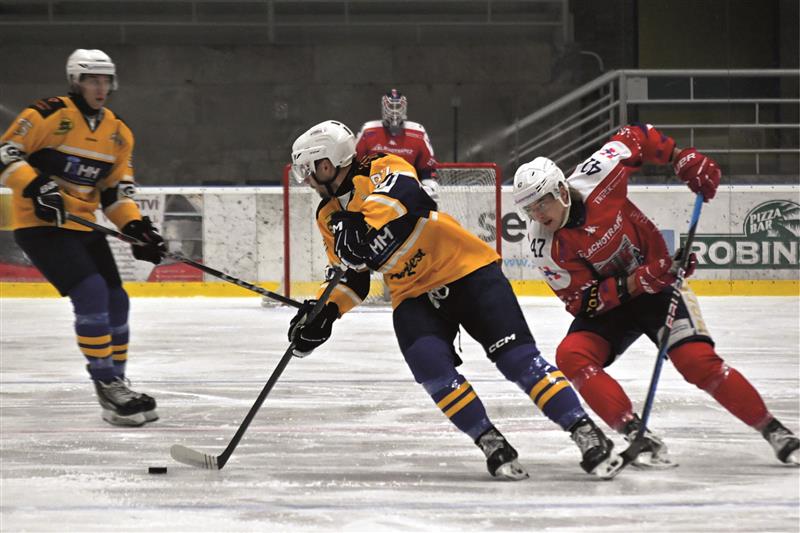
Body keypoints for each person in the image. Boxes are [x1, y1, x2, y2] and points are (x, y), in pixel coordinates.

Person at [287, 119, 626, 480]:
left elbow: (411, 198)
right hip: (412, 293)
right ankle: (491, 442)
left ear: (327, 164)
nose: (306, 180)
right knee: (430, 367)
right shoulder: (328, 216)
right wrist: (325, 312)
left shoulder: (382, 166)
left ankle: (584, 432)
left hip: (467, 271)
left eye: (308, 169)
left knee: (517, 360)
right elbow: (352, 276)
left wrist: (362, 224)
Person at [512, 123, 800, 467]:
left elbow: (636, 135)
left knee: (697, 362)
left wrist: (681, 157)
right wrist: (638, 280)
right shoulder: (543, 246)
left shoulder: (598, 173)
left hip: (659, 288)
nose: (538, 215)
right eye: (529, 209)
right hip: (615, 307)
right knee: (572, 355)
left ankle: (775, 430)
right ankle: (635, 432)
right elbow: (581, 302)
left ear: (561, 190)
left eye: (542, 203)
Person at [0, 49, 166, 427]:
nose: (100, 87)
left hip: (82, 227)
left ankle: (117, 383)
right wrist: (37, 187)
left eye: (105, 80)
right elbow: (5, 155)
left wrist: (136, 228)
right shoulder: (47, 115)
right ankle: (106, 383)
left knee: (117, 299)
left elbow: (115, 192)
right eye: (92, 80)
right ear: (76, 81)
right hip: (41, 227)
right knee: (90, 292)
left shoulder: (118, 132)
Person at [355, 89, 440, 203]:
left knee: (431, 192)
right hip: (375, 189)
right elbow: (355, 165)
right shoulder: (369, 130)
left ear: (404, 107)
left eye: (398, 106)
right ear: (384, 107)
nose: (394, 111)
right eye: (391, 106)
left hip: (408, 191)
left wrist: (428, 188)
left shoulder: (417, 132)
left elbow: (427, 170)